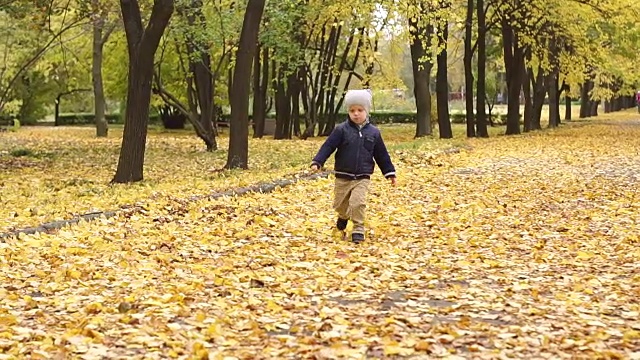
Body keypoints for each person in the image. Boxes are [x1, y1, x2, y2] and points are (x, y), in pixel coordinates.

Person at [310, 89, 396, 243]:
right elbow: (328, 146)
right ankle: (343, 216)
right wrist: (318, 161)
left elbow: (381, 154)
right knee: (339, 205)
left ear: (367, 111)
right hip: (343, 175)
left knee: (358, 203)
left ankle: (358, 228)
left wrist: (389, 172)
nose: (356, 114)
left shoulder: (374, 133)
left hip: (362, 176)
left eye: (360, 110)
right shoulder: (341, 130)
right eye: (352, 110)